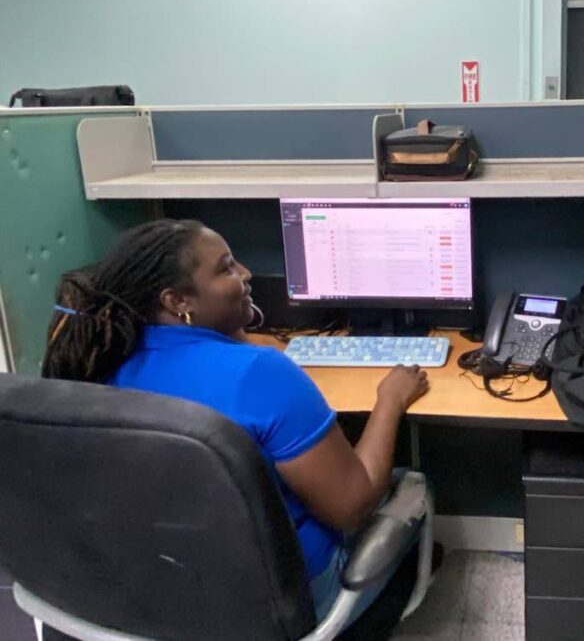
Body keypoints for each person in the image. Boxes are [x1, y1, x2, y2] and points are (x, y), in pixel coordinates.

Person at [41, 218, 430, 625]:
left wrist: (232, 332)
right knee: (408, 484)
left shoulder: (96, 360)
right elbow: (352, 508)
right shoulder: (261, 374)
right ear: (178, 301)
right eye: (226, 268)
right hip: (275, 602)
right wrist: (390, 400)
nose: (245, 274)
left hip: (152, 586)